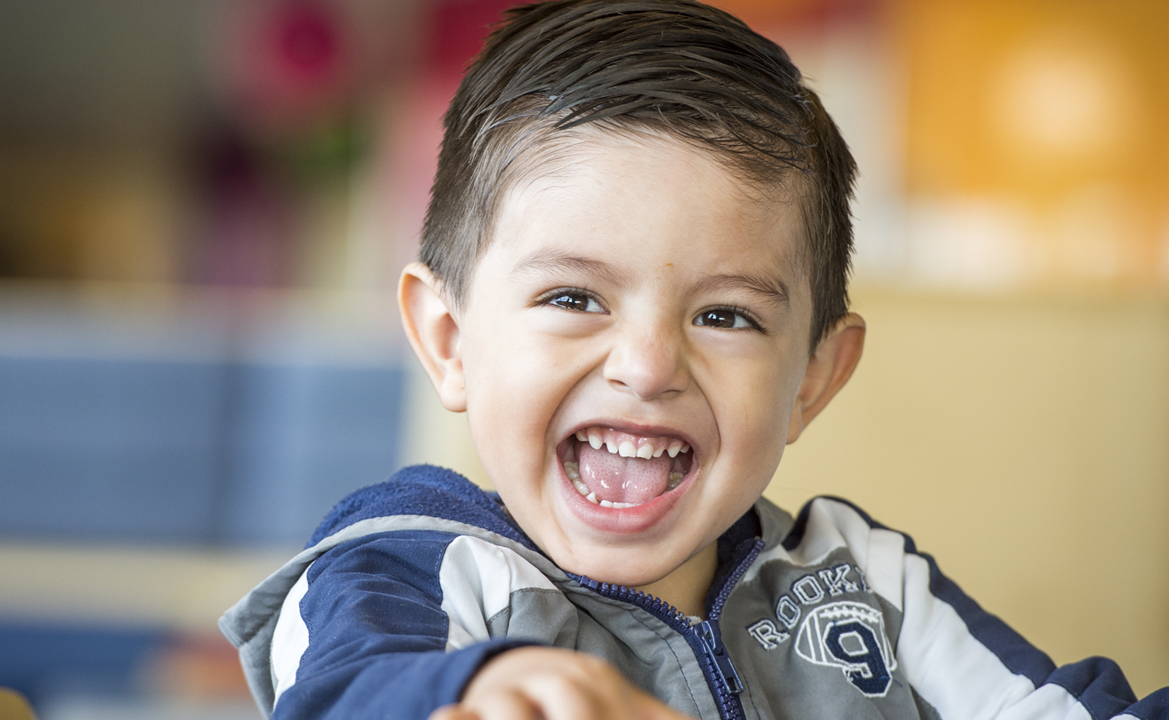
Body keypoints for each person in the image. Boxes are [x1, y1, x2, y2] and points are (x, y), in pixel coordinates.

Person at [220, 1, 1169, 718]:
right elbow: (347, 688)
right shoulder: (403, 569)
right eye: (573, 298)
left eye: (725, 315)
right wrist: (486, 683)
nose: (645, 364)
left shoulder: (864, 583)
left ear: (813, 380)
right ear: (450, 341)